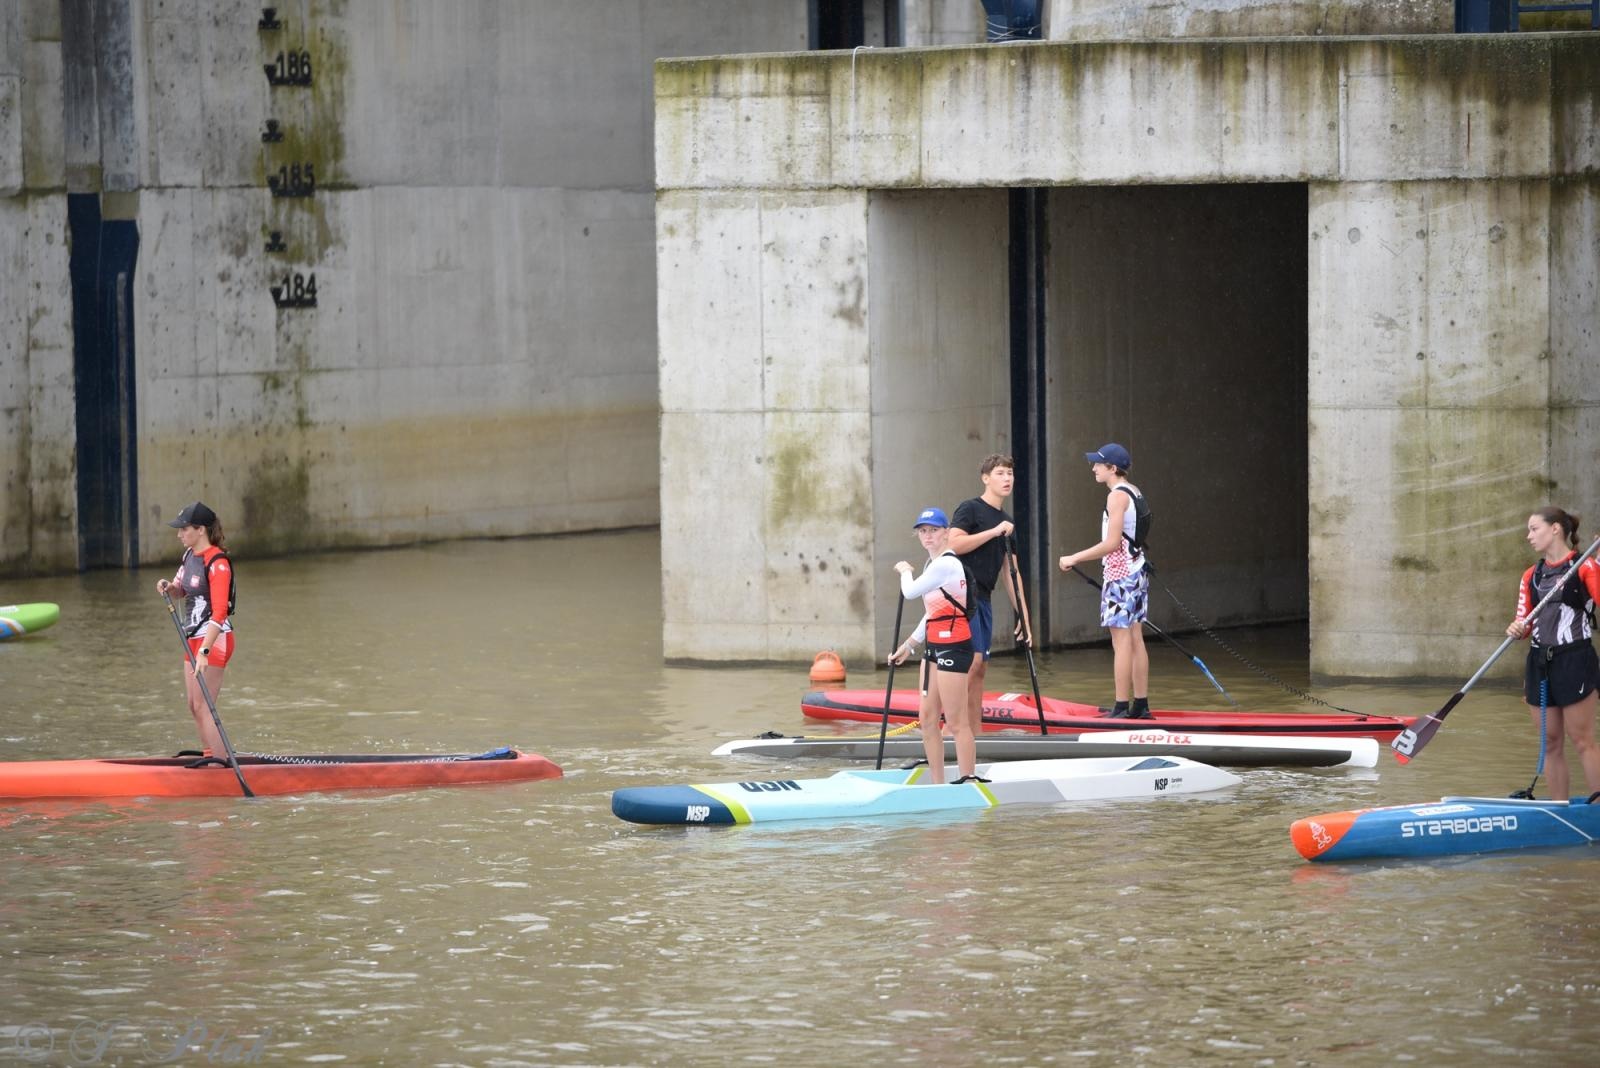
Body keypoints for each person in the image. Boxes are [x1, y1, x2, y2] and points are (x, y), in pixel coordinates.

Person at [1506, 507, 1600, 801]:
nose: (1529, 536)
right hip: (1539, 662)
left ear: (1556, 529)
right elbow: (1524, 623)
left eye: (1534, 529)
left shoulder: (1585, 566)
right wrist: (1517, 628)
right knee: (1550, 742)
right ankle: (1559, 809)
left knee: (1582, 740)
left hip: (1575, 659)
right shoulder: (1531, 576)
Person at [1057, 443, 1153, 719]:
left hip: (1121, 576)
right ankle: (1141, 706)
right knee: (1136, 639)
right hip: (1137, 571)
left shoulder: (1116, 497)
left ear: (1112, 468)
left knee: (1121, 642)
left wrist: (1074, 557)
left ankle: (1121, 707)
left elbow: (1111, 543)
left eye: (1098, 464)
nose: (1093, 468)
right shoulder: (1134, 491)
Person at [889, 507, 983, 784]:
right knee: (927, 718)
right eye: (923, 531)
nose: (927, 535)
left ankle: (968, 779)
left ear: (946, 533)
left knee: (955, 721)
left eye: (933, 530)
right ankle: (937, 783)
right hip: (933, 644)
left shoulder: (946, 564)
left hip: (955, 645)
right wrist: (910, 644)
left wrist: (905, 571)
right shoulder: (932, 565)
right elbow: (933, 612)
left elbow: (909, 592)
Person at [948, 454, 1032, 733]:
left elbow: (1011, 573)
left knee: (981, 666)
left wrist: (1024, 616)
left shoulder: (1007, 522)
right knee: (971, 663)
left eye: (1010, 473)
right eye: (1000, 473)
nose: (1007, 479)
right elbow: (954, 544)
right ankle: (951, 730)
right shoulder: (970, 509)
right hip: (961, 595)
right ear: (985, 478)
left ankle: (975, 733)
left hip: (983, 598)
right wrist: (993, 532)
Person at [155, 502, 237, 755]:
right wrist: (169, 587)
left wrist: (204, 651)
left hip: (214, 639)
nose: (179, 535)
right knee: (194, 704)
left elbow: (220, 612)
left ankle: (220, 764)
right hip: (193, 637)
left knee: (204, 705)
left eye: (184, 529)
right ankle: (210, 755)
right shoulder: (189, 556)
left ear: (200, 530)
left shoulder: (218, 563)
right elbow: (181, 590)